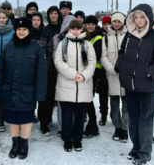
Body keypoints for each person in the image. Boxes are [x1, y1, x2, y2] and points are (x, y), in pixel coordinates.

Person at [115, 4, 154, 164]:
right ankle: (136, 147)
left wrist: (150, 72)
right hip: (130, 84)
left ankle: (145, 152)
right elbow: (121, 52)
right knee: (133, 116)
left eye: (142, 17)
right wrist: (121, 66)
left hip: (146, 85)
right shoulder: (129, 35)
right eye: (136, 17)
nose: (139, 20)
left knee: (145, 118)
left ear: (148, 18)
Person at [0, 17, 47, 160]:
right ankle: (15, 144)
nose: (21, 32)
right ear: (15, 31)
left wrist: (40, 95)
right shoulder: (8, 47)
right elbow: (0, 72)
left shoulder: (36, 49)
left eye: (24, 29)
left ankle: (24, 144)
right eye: (19, 29)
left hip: (28, 92)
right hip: (9, 91)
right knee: (13, 119)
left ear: (29, 31)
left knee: (26, 119)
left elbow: (41, 74)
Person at [54, 19, 96, 152]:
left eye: (78, 29)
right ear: (69, 30)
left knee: (80, 116)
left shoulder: (88, 44)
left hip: (83, 85)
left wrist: (84, 76)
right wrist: (74, 74)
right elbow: (58, 62)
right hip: (66, 84)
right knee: (66, 115)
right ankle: (67, 139)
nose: (75, 31)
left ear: (81, 30)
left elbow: (92, 62)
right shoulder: (63, 44)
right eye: (73, 29)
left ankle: (77, 139)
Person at [100, 12, 129, 143]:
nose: (116, 24)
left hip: (126, 75)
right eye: (114, 22)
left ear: (123, 23)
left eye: (119, 22)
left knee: (126, 106)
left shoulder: (129, 36)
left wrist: (124, 69)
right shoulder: (106, 38)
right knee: (115, 105)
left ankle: (125, 129)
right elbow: (103, 56)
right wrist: (112, 69)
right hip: (112, 76)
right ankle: (117, 127)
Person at [46, 15, 77, 137]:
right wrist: (67, 70)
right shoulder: (58, 39)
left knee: (74, 103)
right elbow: (56, 58)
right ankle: (61, 127)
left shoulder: (80, 39)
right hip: (62, 75)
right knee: (61, 103)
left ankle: (73, 126)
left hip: (76, 76)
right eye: (68, 26)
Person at [82, 15, 109, 138]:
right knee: (87, 98)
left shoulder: (98, 37)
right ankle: (92, 125)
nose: (90, 26)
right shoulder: (84, 35)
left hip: (94, 73)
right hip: (86, 72)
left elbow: (97, 55)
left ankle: (93, 126)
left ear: (95, 25)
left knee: (87, 98)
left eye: (92, 24)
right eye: (88, 24)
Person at [38, 6, 63, 135]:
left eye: (55, 13)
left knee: (60, 96)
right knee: (46, 96)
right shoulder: (44, 30)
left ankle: (62, 124)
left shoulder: (63, 28)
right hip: (48, 68)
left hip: (62, 69)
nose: (53, 15)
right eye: (51, 14)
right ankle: (44, 121)